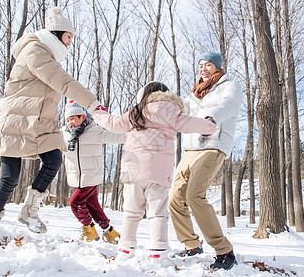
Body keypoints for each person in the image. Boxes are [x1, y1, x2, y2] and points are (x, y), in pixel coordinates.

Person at [0, 7, 101, 234]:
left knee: (54, 158)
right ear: (57, 34)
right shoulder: (35, 51)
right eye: (68, 37)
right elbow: (63, 82)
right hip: (15, 122)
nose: (70, 43)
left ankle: (29, 210)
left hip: (37, 125)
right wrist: (93, 104)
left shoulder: (47, 56)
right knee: (10, 178)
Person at [91, 81, 216, 265]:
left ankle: (125, 250)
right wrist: (209, 126)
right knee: (158, 214)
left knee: (131, 213)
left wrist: (96, 111)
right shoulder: (173, 112)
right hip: (159, 172)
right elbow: (197, 125)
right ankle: (158, 252)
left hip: (133, 169)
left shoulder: (138, 111)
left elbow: (113, 123)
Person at [168, 51, 242, 271]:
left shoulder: (230, 85)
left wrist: (211, 119)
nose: (203, 69)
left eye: (208, 65)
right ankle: (192, 244)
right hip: (190, 149)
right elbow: (178, 110)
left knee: (194, 195)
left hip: (213, 144)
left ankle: (224, 250)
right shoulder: (194, 95)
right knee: (174, 198)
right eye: (200, 65)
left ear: (217, 68)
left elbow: (228, 105)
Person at [62, 100, 126, 244]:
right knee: (93, 206)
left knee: (75, 203)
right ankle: (110, 232)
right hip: (78, 177)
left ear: (82, 117)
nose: (70, 123)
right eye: (67, 119)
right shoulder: (64, 134)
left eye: (72, 118)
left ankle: (88, 228)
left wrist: (136, 135)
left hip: (90, 175)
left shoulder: (95, 130)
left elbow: (116, 136)